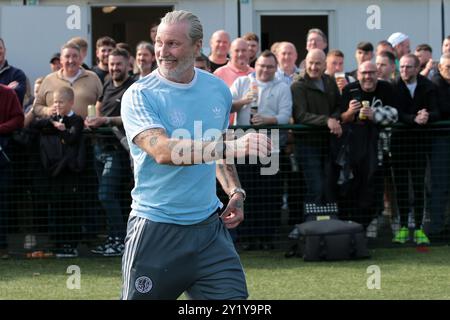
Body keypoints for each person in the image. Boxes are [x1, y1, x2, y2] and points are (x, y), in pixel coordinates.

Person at [120, 10, 270, 300]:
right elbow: (162, 150)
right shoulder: (139, 95)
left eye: (173, 44)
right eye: (159, 43)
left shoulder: (216, 89)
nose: (163, 52)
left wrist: (235, 191)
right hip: (156, 229)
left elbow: (216, 144)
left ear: (197, 46)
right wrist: (230, 147)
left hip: (209, 231)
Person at [230, 50, 292, 249]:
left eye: (270, 66)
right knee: (246, 191)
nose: (265, 70)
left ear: (276, 68)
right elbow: (226, 106)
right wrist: (243, 102)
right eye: (262, 66)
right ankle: (246, 237)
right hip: (243, 146)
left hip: (270, 146)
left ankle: (266, 237)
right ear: (255, 66)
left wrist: (267, 120)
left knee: (269, 193)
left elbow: (285, 115)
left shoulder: (282, 87)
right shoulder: (241, 83)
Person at [85, 48, 136, 257]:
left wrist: (105, 121)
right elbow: (100, 107)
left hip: (118, 149)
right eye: (112, 64)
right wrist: (93, 120)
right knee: (108, 196)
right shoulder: (106, 81)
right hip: (99, 147)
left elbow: (134, 117)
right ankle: (113, 239)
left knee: (107, 194)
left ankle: (121, 240)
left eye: (119, 64)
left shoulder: (134, 87)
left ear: (128, 65)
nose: (115, 68)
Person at [338, 61, 396, 228]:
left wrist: (374, 114)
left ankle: (371, 224)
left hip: (380, 149)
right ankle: (355, 226)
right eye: (364, 73)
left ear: (377, 73)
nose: (368, 76)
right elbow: (341, 117)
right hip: (353, 149)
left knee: (375, 187)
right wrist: (350, 111)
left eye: (371, 72)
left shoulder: (387, 88)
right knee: (353, 185)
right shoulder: (349, 90)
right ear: (358, 74)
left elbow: (396, 114)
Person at [31, 86, 84, 258]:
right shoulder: (54, 118)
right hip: (54, 171)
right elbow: (35, 125)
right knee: (56, 206)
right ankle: (58, 243)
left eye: (61, 102)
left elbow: (72, 138)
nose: (57, 105)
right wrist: (52, 123)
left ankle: (71, 244)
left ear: (71, 103)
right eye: (54, 102)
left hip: (70, 170)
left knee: (70, 207)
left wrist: (61, 130)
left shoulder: (76, 120)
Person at [391, 53, 439, 245]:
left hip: (420, 145)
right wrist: (413, 119)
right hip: (399, 144)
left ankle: (418, 228)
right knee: (401, 187)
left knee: (419, 186)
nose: (404, 70)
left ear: (417, 68)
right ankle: (403, 227)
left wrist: (427, 116)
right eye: (401, 67)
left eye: (408, 67)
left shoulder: (428, 87)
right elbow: (394, 112)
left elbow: (438, 111)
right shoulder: (393, 87)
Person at [292, 49, 342, 207]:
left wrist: (334, 118)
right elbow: (301, 115)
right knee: (316, 186)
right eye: (310, 63)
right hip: (308, 144)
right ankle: (311, 226)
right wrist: (327, 120)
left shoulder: (329, 81)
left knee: (329, 185)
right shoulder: (298, 85)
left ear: (325, 65)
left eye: (318, 63)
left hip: (329, 142)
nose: (313, 67)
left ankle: (328, 225)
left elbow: (339, 105)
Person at [33, 42, 103, 119]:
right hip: (55, 129)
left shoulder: (93, 77)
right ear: (61, 60)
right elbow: (36, 107)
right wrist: (47, 110)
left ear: (80, 59)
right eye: (67, 56)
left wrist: (96, 119)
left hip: (86, 130)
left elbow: (104, 104)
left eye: (75, 56)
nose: (71, 60)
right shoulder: (49, 79)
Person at [0, 84, 24, 259]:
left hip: (3, 156)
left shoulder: (8, 93)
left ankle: (2, 246)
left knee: (3, 203)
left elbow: (18, 118)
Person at [429, 53, 450, 239]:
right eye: (448, 67)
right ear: (440, 68)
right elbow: (442, 109)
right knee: (440, 185)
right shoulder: (435, 83)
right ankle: (436, 227)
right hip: (440, 141)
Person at [0, 38, 27, 105]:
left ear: (5, 50)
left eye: (0, 48)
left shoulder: (17, 74)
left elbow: (17, 98)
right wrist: (7, 89)